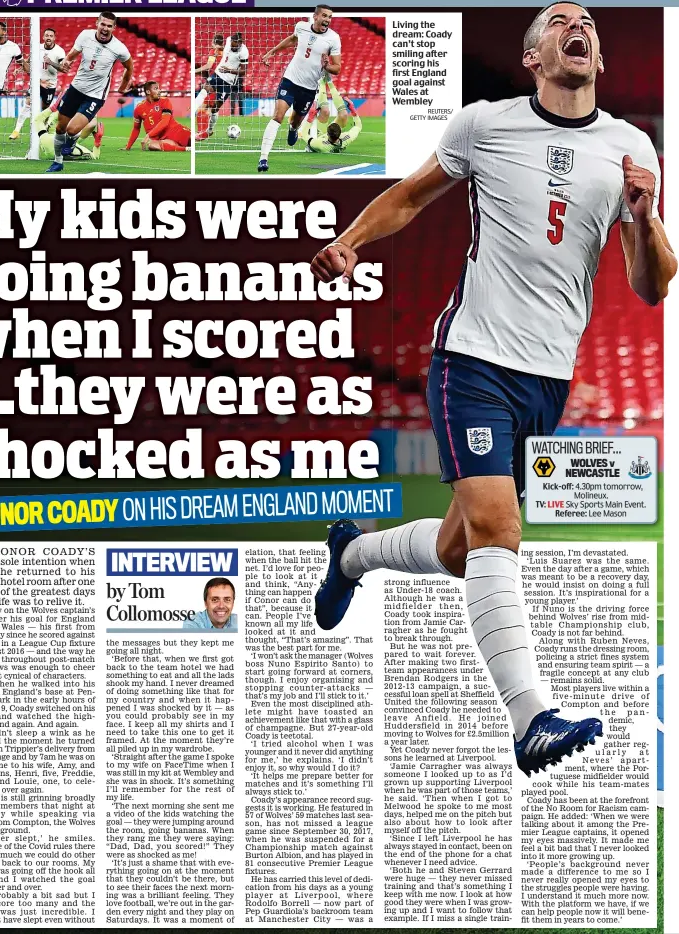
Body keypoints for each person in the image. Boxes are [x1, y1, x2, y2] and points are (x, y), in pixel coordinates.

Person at [309, 2, 676, 777]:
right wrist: (348, 241)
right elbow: (409, 196)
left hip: (548, 375)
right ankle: (529, 719)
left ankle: (352, 554)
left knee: (457, 548)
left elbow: (651, 286)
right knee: (498, 531)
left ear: (598, 59)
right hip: (471, 356)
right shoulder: (485, 124)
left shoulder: (630, 148)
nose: (576, 24)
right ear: (533, 54)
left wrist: (643, 219)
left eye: (586, 22)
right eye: (557, 21)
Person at [45, 12, 133, 173]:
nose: (105, 28)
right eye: (103, 24)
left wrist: (122, 87)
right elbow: (72, 54)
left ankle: (71, 142)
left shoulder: (119, 48)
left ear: (114, 28)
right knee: (60, 128)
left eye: (109, 26)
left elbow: (129, 67)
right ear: (97, 23)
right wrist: (66, 62)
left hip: (96, 95)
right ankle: (58, 162)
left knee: (71, 130)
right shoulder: (85, 36)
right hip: (76, 88)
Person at [257, 4, 341, 172]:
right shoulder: (301, 27)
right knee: (277, 116)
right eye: (324, 16)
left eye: (330, 17)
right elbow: (293, 39)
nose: (327, 20)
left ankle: (293, 128)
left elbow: (337, 68)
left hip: (309, 88)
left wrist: (326, 66)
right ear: (315, 16)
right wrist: (272, 52)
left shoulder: (333, 38)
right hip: (290, 80)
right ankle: (263, 158)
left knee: (295, 121)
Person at [10, 27, 66, 140]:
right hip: (36, 81)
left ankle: (43, 130)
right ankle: (16, 130)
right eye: (47, 35)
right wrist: (20, 69)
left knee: (45, 109)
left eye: (51, 36)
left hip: (50, 84)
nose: (48, 38)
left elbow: (64, 69)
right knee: (28, 104)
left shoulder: (59, 51)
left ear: (54, 38)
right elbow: (29, 61)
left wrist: (50, 62)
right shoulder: (38, 48)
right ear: (43, 37)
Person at [192, 33, 248, 142]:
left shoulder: (244, 52)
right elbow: (224, 48)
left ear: (239, 43)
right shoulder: (228, 40)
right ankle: (194, 112)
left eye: (235, 43)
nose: (231, 45)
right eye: (231, 43)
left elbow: (244, 71)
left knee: (215, 108)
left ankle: (209, 131)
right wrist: (219, 48)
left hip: (228, 82)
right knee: (204, 90)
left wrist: (229, 70)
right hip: (217, 74)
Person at [124, 81, 191, 152]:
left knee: (193, 139)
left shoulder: (165, 101)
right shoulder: (139, 108)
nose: (159, 91)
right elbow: (136, 128)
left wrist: (148, 135)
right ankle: (186, 149)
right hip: (162, 139)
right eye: (156, 89)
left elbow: (165, 122)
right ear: (148, 91)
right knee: (152, 145)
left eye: (159, 88)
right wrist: (128, 146)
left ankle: (187, 144)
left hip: (176, 131)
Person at [298, 77, 361, 153]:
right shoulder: (346, 139)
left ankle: (321, 82)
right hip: (332, 139)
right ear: (340, 133)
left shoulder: (320, 145)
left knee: (325, 111)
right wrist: (353, 110)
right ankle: (329, 81)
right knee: (343, 115)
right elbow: (358, 126)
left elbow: (304, 134)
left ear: (327, 134)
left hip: (319, 138)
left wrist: (310, 118)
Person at [35, 106, 104, 161]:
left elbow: (38, 119)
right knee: (92, 120)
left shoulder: (46, 139)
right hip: (60, 146)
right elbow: (95, 157)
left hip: (51, 145)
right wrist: (97, 142)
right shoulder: (46, 138)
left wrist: (53, 107)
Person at [194, 33, 225, 139]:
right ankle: (206, 131)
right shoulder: (226, 52)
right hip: (224, 82)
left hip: (214, 81)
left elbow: (208, 66)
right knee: (211, 109)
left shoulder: (214, 51)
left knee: (204, 109)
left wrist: (194, 71)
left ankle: (202, 132)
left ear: (213, 42)